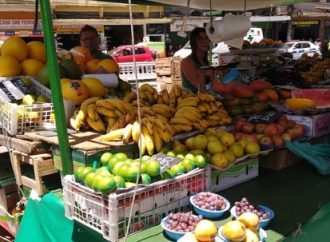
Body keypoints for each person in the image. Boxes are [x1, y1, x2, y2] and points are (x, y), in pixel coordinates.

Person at [180, 27, 212, 94]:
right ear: (193, 43)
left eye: (206, 38)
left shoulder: (205, 62)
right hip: (192, 101)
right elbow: (200, 88)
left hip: (207, 100)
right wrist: (204, 73)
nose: (205, 41)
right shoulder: (186, 62)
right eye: (200, 39)